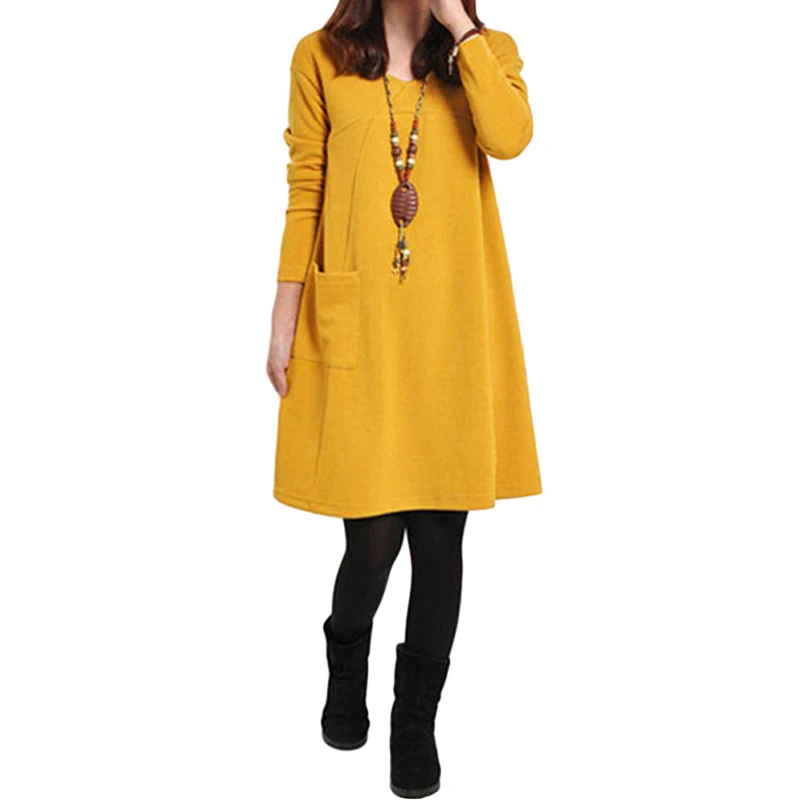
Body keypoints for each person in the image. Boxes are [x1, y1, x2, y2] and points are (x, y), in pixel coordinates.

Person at [266, 0, 542, 796]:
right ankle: (345, 657)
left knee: (440, 540)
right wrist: (283, 317)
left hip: (452, 332)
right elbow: (307, 188)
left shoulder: (485, 54)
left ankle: (413, 723)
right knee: (371, 540)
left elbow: (511, 138)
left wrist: (462, 29)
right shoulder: (320, 57)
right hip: (361, 328)